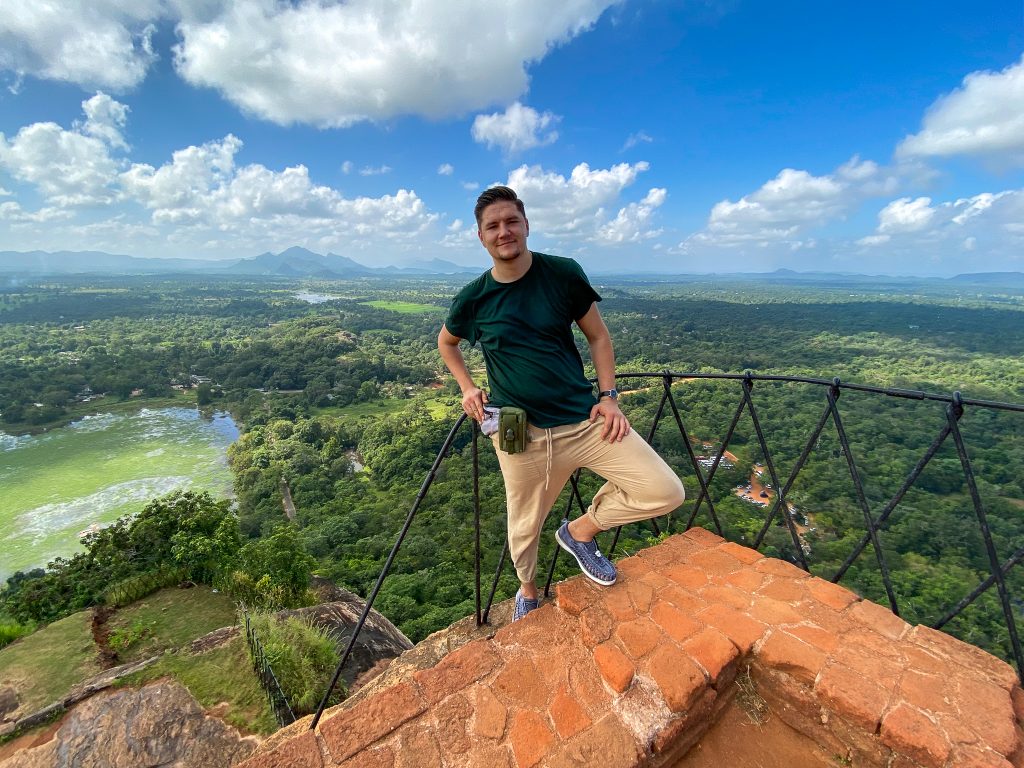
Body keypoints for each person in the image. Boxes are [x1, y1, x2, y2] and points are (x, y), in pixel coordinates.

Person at [438, 186, 685, 620]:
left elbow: (598, 336)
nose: (504, 231)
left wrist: (609, 397)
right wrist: (467, 387)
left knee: (664, 490)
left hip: (583, 421)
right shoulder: (474, 298)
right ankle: (528, 592)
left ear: (527, 225)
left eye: (511, 221)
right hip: (520, 432)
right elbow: (446, 342)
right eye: (492, 226)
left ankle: (579, 532)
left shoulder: (562, 273)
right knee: (522, 526)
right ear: (481, 237)